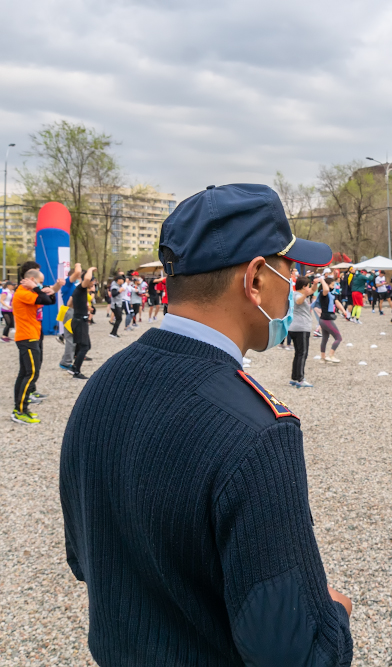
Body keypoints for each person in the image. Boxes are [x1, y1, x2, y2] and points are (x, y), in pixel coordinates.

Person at [60, 183, 352, 665]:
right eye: (290, 268)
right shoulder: (259, 429)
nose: (295, 282)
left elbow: (83, 556)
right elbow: (291, 653)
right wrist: (334, 618)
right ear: (256, 279)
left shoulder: (101, 385)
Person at [12, 266, 63, 424]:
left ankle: (19, 408)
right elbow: (45, 299)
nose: (42, 285)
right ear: (32, 281)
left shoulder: (31, 292)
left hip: (31, 335)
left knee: (25, 373)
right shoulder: (23, 292)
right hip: (27, 337)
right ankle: (21, 410)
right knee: (32, 373)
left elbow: (50, 300)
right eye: (40, 282)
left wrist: (49, 289)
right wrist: (38, 289)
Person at [68, 266, 97, 379]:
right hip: (80, 321)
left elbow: (69, 303)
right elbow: (87, 278)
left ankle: (75, 366)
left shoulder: (80, 291)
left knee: (85, 345)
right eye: (93, 283)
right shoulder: (81, 288)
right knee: (85, 346)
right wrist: (90, 269)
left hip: (80, 320)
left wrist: (83, 308)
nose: (93, 285)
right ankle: (75, 370)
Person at [288, 275, 318, 387]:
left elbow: (313, 290)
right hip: (301, 328)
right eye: (308, 286)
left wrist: (315, 284)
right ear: (304, 286)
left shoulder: (296, 293)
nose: (309, 288)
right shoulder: (297, 295)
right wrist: (305, 294)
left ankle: (295, 377)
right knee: (302, 354)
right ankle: (300, 379)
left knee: (298, 353)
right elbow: (299, 301)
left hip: (295, 327)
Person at [315, 276, 343, 363]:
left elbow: (337, 302)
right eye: (332, 285)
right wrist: (322, 280)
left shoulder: (331, 295)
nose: (333, 287)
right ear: (327, 285)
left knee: (325, 338)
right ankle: (331, 356)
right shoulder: (324, 293)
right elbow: (326, 289)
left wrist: (344, 311)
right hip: (326, 320)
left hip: (324, 319)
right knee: (338, 338)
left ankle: (323, 358)